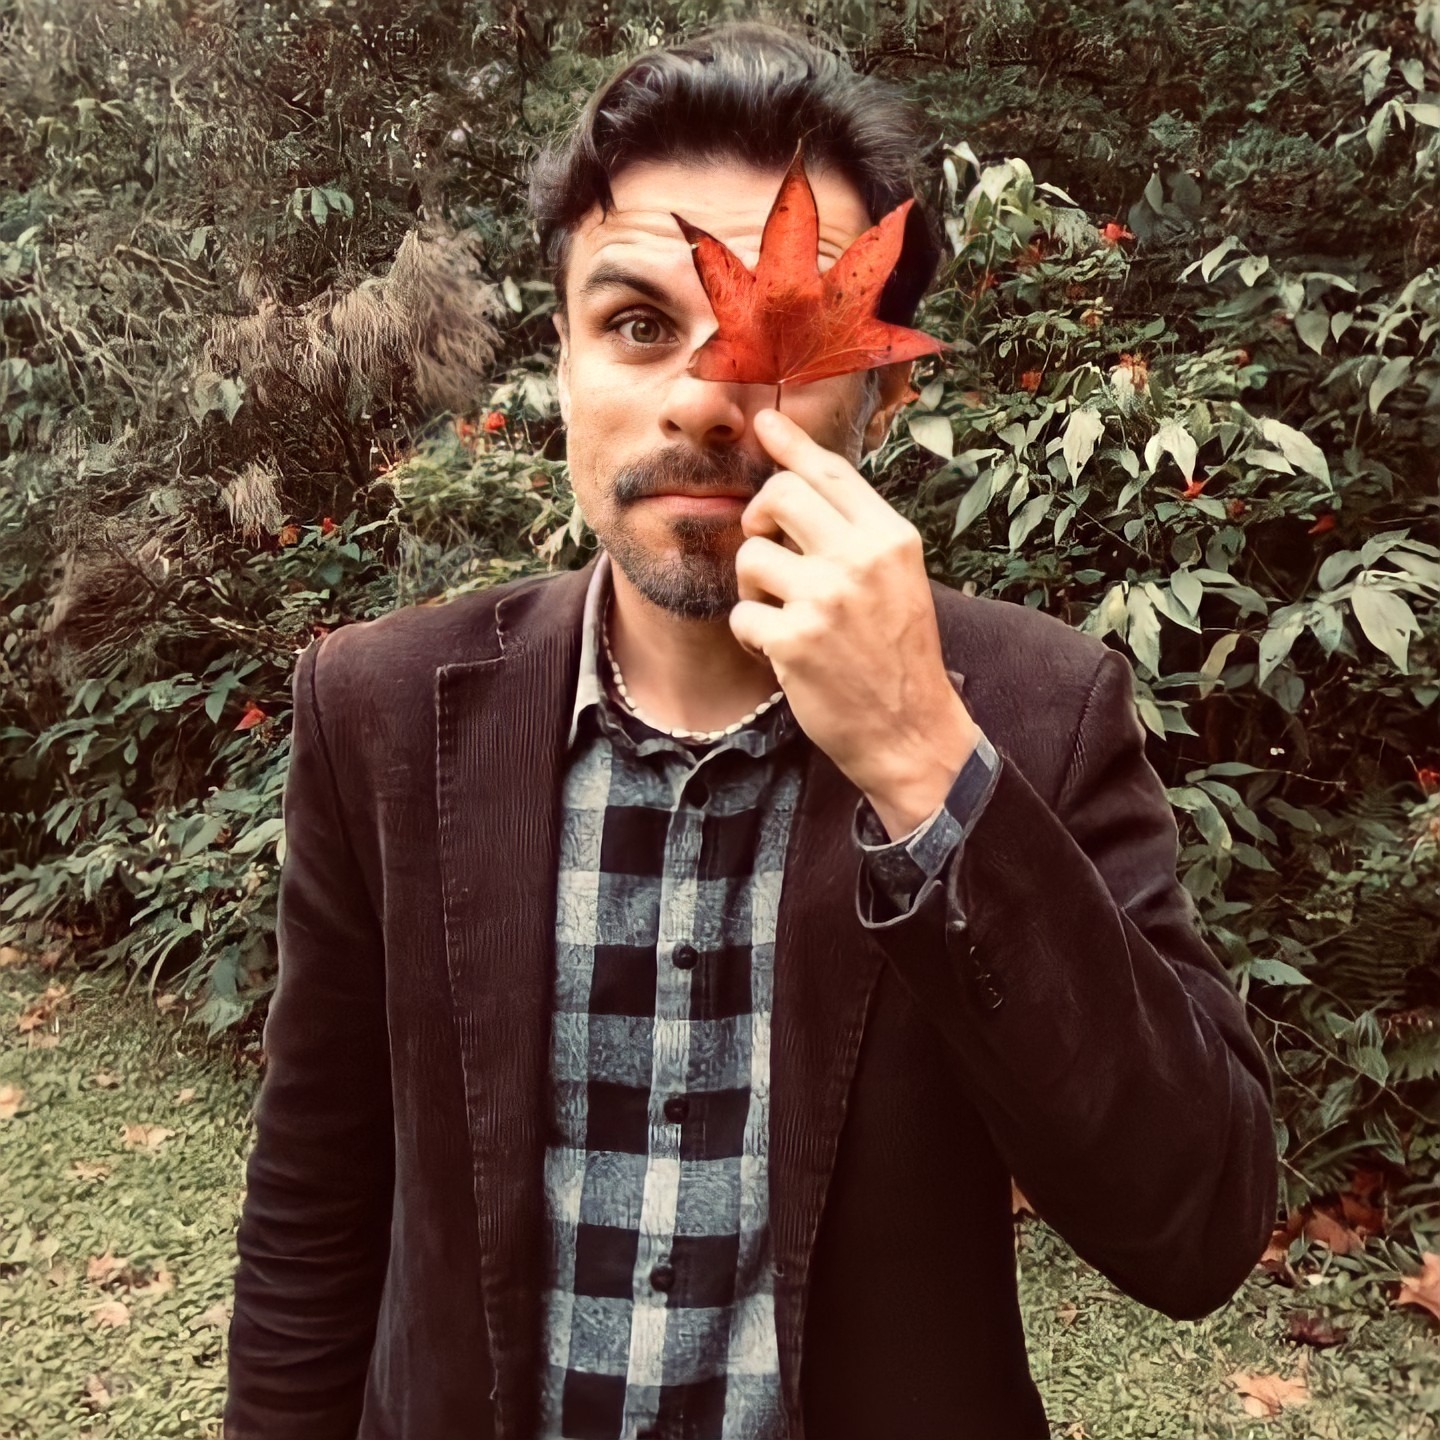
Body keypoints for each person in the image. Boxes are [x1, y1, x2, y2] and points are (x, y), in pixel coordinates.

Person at [224, 20, 1277, 1440]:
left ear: (883, 390)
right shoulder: (381, 710)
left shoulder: (1035, 709)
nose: (708, 400)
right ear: (564, 362)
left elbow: (1199, 1226)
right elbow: (314, 1205)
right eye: (638, 324)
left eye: (783, 338)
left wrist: (924, 764)